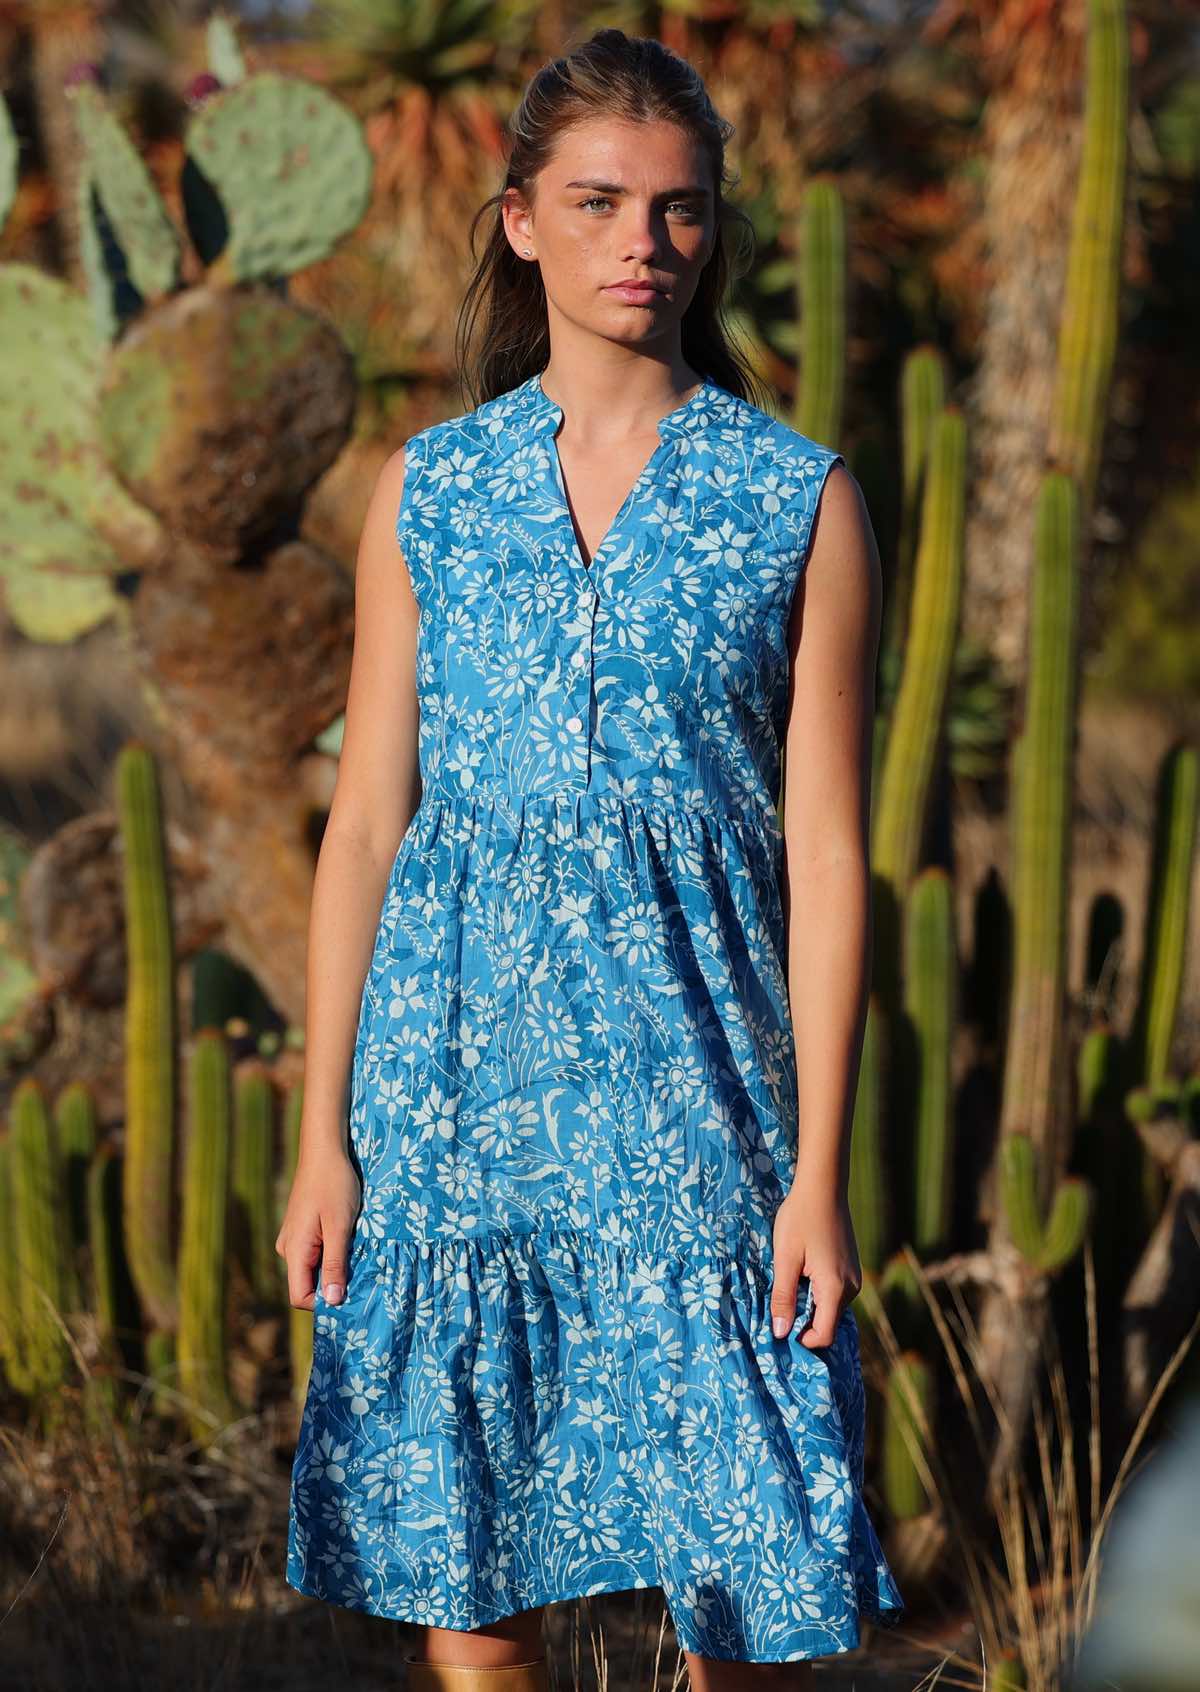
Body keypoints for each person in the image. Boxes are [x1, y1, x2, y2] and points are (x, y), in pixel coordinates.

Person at [277, 26, 906, 1692]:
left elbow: (828, 854)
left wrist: (817, 1173)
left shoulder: (797, 500)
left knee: (743, 1601)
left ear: (714, 232)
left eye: (680, 208)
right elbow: (365, 822)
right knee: (473, 1601)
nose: (646, 241)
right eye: (600, 202)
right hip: (451, 1106)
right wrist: (321, 1135)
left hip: (703, 1109)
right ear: (521, 222)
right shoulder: (429, 492)